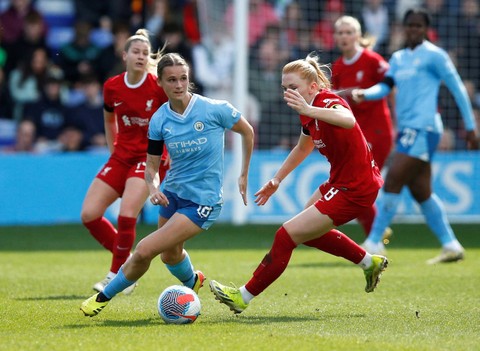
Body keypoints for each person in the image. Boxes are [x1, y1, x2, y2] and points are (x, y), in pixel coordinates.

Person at [209, 53, 388, 314]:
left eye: (293, 87)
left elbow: (348, 120)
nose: (287, 93)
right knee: (309, 233)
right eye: (284, 89)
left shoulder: (327, 101)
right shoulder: (307, 113)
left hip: (356, 188)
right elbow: (302, 149)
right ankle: (368, 262)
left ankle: (242, 297)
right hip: (340, 182)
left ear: (313, 86)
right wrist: (277, 179)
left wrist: (308, 109)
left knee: (286, 235)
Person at [80, 52, 255, 317]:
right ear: (160, 82)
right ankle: (192, 283)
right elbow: (151, 168)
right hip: (172, 194)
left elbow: (247, 131)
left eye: (183, 78)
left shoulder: (214, 109)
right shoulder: (159, 120)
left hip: (202, 201)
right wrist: (153, 188)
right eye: (171, 80)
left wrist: (243, 173)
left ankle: (103, 296)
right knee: (170, 255)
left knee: (144, 250)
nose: (179, 85)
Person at [352, 8, 479, 264]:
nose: (413, 30)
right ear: (403, 27)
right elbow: (386, 86)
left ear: (426, 29)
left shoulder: (435, 56)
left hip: (425, 128)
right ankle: (451, 244)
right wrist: (366, 93)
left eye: (419, 26)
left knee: (393, 179)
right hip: (407, 130)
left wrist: (470, 126)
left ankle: (374, 240)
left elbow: (457, 89)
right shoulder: (398, 58)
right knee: (421, 191)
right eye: (410, 25)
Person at [80, 29, 169, 295]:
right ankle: (128, 260)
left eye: (145, 53)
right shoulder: (112, 87)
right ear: (125, 55)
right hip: (121, 156)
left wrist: (171, 156)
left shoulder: (157, 86)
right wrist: (113, 149)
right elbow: (109, 118)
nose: (141, 56)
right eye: (136, 52)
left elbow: (172, 121)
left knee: (127, 213)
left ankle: (117, 276)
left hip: (150, 158)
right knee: (89, 215)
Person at [331, 15, 394, 239]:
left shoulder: (372, 60)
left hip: (378, 131)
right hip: (355, 135)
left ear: (358, 35)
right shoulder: (337, 66)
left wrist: (398, 119)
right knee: (355, 185)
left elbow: (391, 87)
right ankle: (376, 232)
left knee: (357, 185)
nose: (344, 37)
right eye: (340, 32)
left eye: (349, 32)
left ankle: (375, 236)